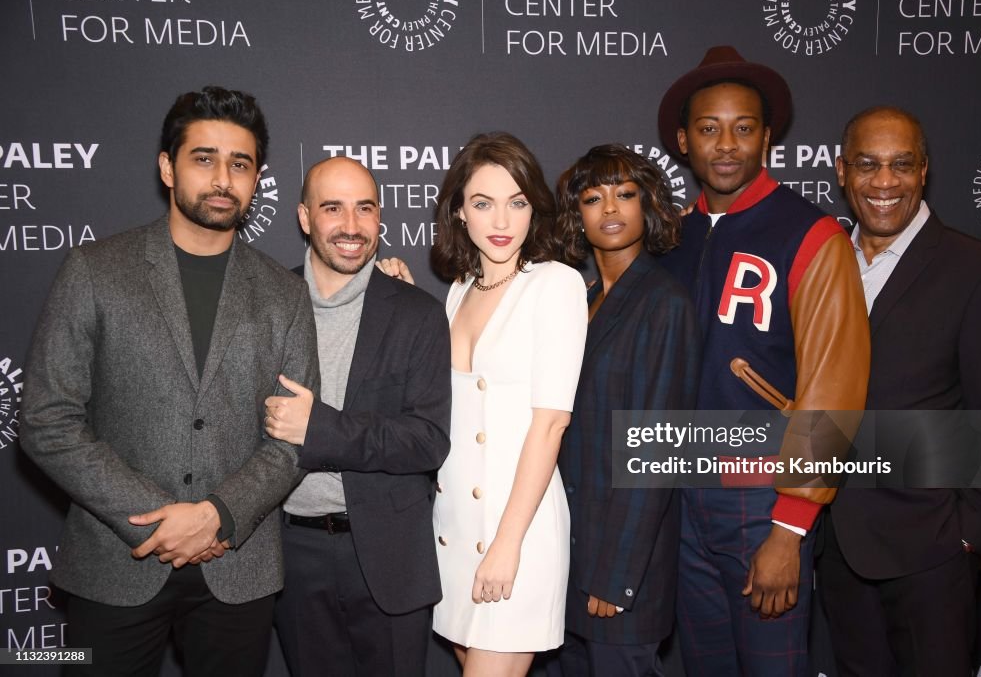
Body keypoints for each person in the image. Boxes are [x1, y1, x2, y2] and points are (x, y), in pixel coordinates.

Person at [20, 86, 319, 676]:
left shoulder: (285, 295)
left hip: (239, 570)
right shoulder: (95, 271)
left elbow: (294, 438)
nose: (222, 179)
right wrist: (164, 518)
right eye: (203, 158)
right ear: (167, 167)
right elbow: (47, 420)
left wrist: (218, 515)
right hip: (114, 563)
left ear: (257, 178)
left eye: (240, 164)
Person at [655, 46, 870, 675]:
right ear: (682, 139)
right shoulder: (670, 236)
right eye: (709, 129)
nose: (727, 145)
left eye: (744, 128)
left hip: (762, 501)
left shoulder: (812, 235)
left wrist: (792, 524)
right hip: (679, 496)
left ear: (768, 137)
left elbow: (834, 386)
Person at [819, 105, 981, 676]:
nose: (885, 182)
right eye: (868, 165)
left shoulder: (979, 271)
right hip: (835, 544)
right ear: (841, 171)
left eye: (901, 165)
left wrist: (970, 539)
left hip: (933, 552)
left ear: (924, 171)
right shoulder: (821, 261)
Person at [261, 156, 451, 676]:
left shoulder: (418, 312)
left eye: (364, 208)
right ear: (304, 217)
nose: (351, 226)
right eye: (333, 208)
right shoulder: (265, 303)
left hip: (389, 556)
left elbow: (427, 441)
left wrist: (319, 428)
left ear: (380, 217)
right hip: (289, 552)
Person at [429, 132, 587, 676]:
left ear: (534, 209)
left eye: (517, 202)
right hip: (452, 533)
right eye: (483, 202)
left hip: (516, 531)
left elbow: (550, 425)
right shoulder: (458, 290)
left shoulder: (556, 284)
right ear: (459, 213)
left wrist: (507, 544)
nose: (502, 220)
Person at [551, 144, 699, 676]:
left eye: (625, 194)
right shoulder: (582, 297)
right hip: (567, 554)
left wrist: (617, 575)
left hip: (622, 566)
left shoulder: (665, 302)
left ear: (648, 204)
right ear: (577, 215)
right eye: (593, 198)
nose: (610, 209)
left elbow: (659, 451)